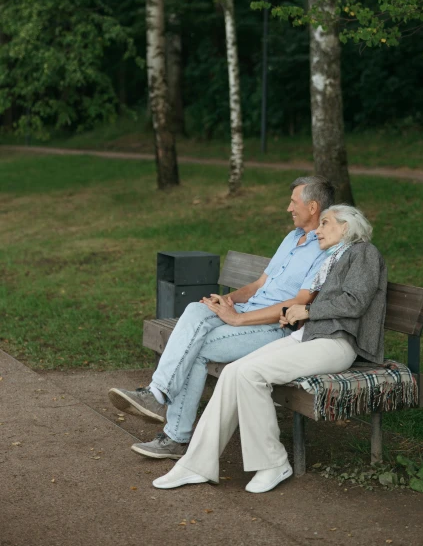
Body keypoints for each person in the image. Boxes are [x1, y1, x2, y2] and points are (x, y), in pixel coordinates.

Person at [150, 204, 387, 494]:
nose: (319, 230)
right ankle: (195, 464)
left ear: (346, 228)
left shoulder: (363, 252)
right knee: (233, 372)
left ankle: (273, 462)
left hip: (337, 343)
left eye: (325, 224)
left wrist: (307, 311)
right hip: (310, 338)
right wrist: (296, 311)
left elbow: (355, 301)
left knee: (251, 373)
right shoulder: (334, 257)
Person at [108, 176, 335, 460]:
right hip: (245, 311)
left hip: (272, 328)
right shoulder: (291, 238)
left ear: (313, 206)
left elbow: (300, 303)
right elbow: (258, 284)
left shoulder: (325, 248)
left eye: (293, 201)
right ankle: (157, 395)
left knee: (197, 346)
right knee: (195, 309)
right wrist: (227, 300)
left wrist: (239, 317)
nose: (288, 207)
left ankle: (172, 431)